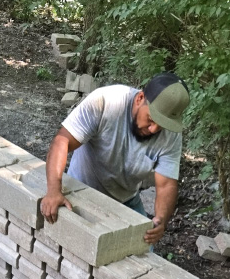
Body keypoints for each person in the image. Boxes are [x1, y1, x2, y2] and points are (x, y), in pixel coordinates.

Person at [40, 72, 190, 246]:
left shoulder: (171, 136)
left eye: (161, 125)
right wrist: (53, 191)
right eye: (150, 119)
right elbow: (62, 141)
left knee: (142, 251)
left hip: (126, 200)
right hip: (82, 189)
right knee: (76, 246)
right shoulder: (106, 101)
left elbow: (166, 184)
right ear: (140, 98)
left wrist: (161, 220)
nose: (154, 129)